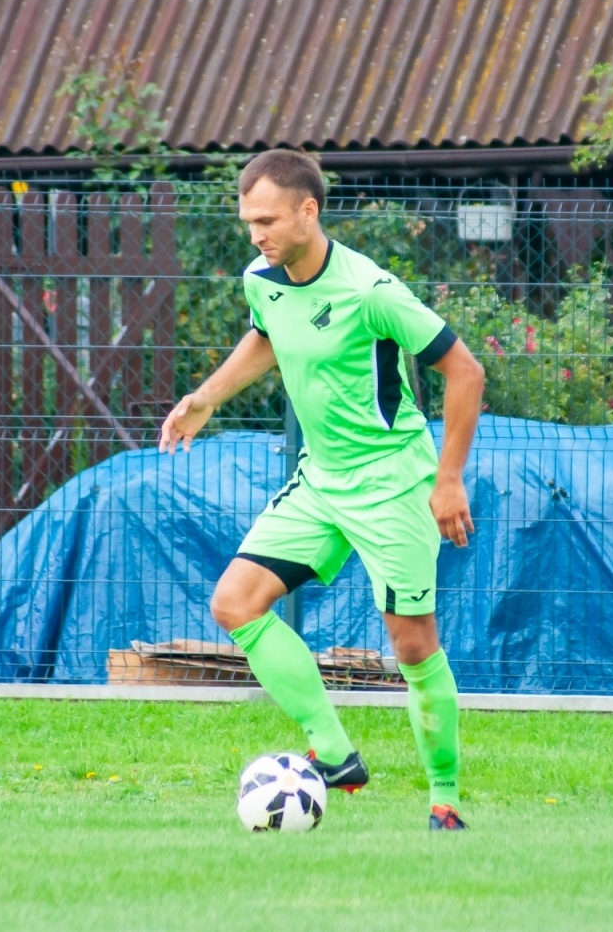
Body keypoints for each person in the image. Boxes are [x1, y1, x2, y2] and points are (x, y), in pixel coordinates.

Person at [160, 150, 485, 831]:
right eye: (249, 221)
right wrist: (205, 399)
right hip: (320, 480)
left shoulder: (371, 292)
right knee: (236, 602)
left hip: (395, 483)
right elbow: (267, 338)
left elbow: (466, 371)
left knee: (413, 646)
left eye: (269, 220)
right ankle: (333, 751)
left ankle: (445, 799)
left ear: (309, 210)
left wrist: (447, 479)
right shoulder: (263, 279)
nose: (257, 234)